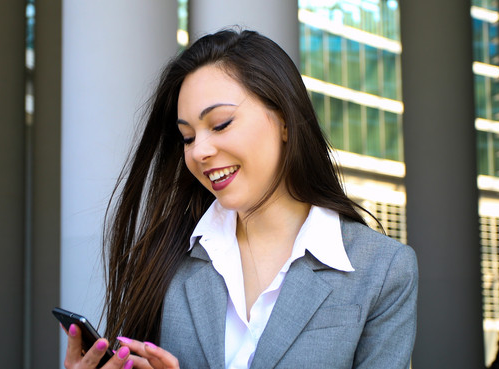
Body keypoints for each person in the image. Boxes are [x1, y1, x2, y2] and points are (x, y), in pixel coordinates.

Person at [63, 29, 418, 369]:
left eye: (220, 124)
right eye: (187, 137)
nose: (199, 151)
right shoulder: (166, 259)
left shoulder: (383, 270)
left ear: (284, 120)